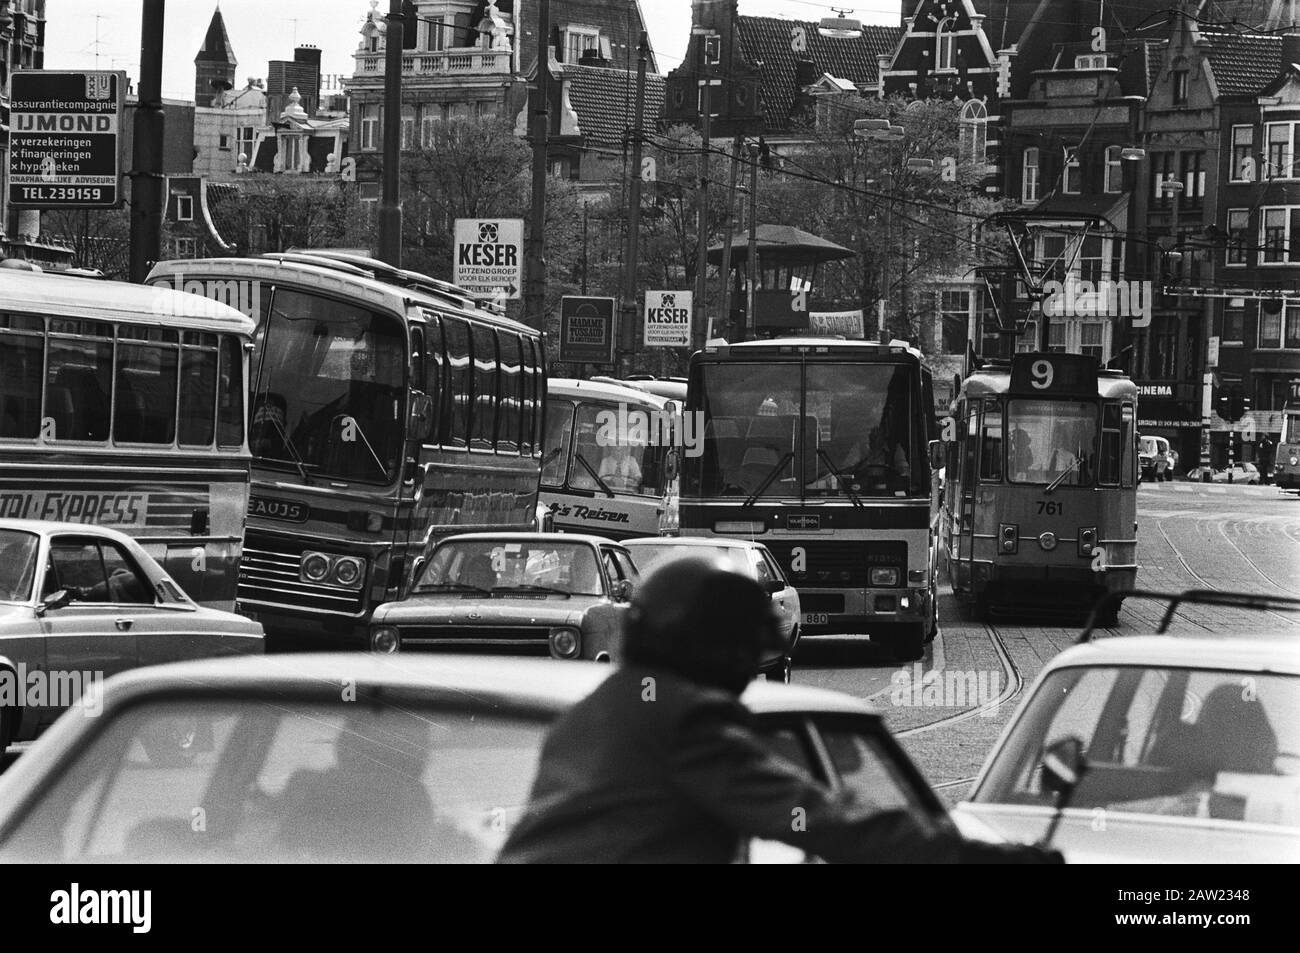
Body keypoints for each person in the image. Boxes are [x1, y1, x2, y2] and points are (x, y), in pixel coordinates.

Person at [497, 559, 1062, 864]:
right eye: (746, 653)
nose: (747, 674)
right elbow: (823, 819)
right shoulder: (684, 720)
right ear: (716, 650)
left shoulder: (596, 710)